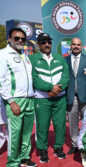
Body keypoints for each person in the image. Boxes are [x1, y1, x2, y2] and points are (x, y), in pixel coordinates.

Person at [30, 33, 70, 163]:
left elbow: (66, 75)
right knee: (42, 126)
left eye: (49, 42)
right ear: (38, 44)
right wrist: (50, 88)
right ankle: (42, 149)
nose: (47, 44)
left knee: (60, 125)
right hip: (42, 99)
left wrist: (58, 89)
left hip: (59, 98)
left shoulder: (59, 57)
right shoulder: (32, 59)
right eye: (43, 42)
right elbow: (34, 78)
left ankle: (58, 148)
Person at [0, 28, 36, 167]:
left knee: (27, 132)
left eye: (22, 38)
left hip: (29, 98)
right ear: (9, 39)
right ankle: (13, 163)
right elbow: (1, 80)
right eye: (17, 38)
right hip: (15, 100)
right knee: (14, 134)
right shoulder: (3, 54)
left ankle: (24, 158)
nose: (20, 40)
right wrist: (11, 101)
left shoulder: (24, 54)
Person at [65, 37, 86, 155]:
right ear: (70, 46)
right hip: (71, 96)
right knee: (72, 122)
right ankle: (75, 144)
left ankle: (85, 143)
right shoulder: (64, 60)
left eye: (78, 44)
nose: (76, 46)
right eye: (74, 44)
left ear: (82, 46)